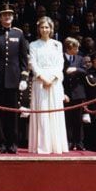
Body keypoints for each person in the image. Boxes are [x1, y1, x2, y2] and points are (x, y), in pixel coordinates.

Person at [0, 4, 29, 154]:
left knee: (13, 113)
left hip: (14, 79)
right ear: (0, 17)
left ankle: (13, 143)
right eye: (4, 15)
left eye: (9, 15)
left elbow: (23, 59)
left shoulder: (19, 34)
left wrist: (23, 77)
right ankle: (1, 144)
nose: (7, 17)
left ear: (13, 17)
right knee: (0, 114)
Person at [27, 16, 68, 154]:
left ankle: (56, 145)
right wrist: (43, 78)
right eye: (42, 27)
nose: (45, 30)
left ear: (51, 29)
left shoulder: (57, 44)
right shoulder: (33, 45)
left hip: (54, 82)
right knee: (43, 112)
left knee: (54, 112)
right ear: (38, 29)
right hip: (40, 82)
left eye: (47, 27)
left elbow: (60, 63)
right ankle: (42, 146)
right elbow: (32, 63)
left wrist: (52, 78)